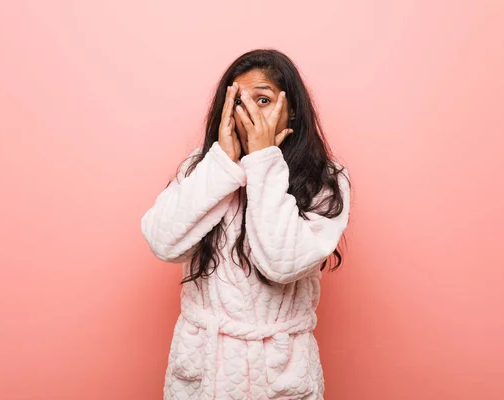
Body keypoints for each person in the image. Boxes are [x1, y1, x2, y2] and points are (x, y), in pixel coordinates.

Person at [141, 48, 351, 400]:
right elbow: (163, 243)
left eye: (263, 100)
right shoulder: (203, 167)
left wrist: (263, 161)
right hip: (204, 368)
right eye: (238, 101)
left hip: (278, 373)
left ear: (292, 110)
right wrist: (222, 165)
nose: (249, 113)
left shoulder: (324, 181)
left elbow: (283, 263)